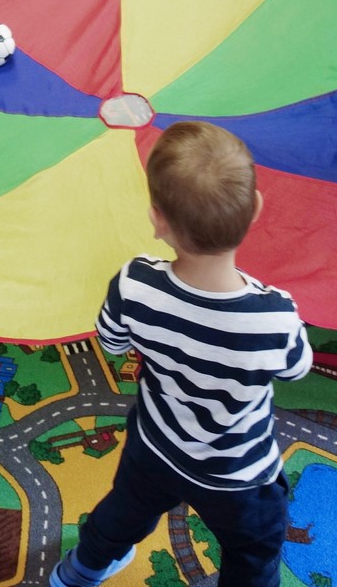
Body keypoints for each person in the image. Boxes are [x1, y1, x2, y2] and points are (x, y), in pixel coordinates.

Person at [51, 121, 312, 587]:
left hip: (155, 445)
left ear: (158, 221)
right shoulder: (275, 315)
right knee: (253, 554)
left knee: (122, 512)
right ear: (256, 208)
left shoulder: (135, 283)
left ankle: (79, 571)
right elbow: (297, 368)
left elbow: (112, 342)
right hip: (239, 474)